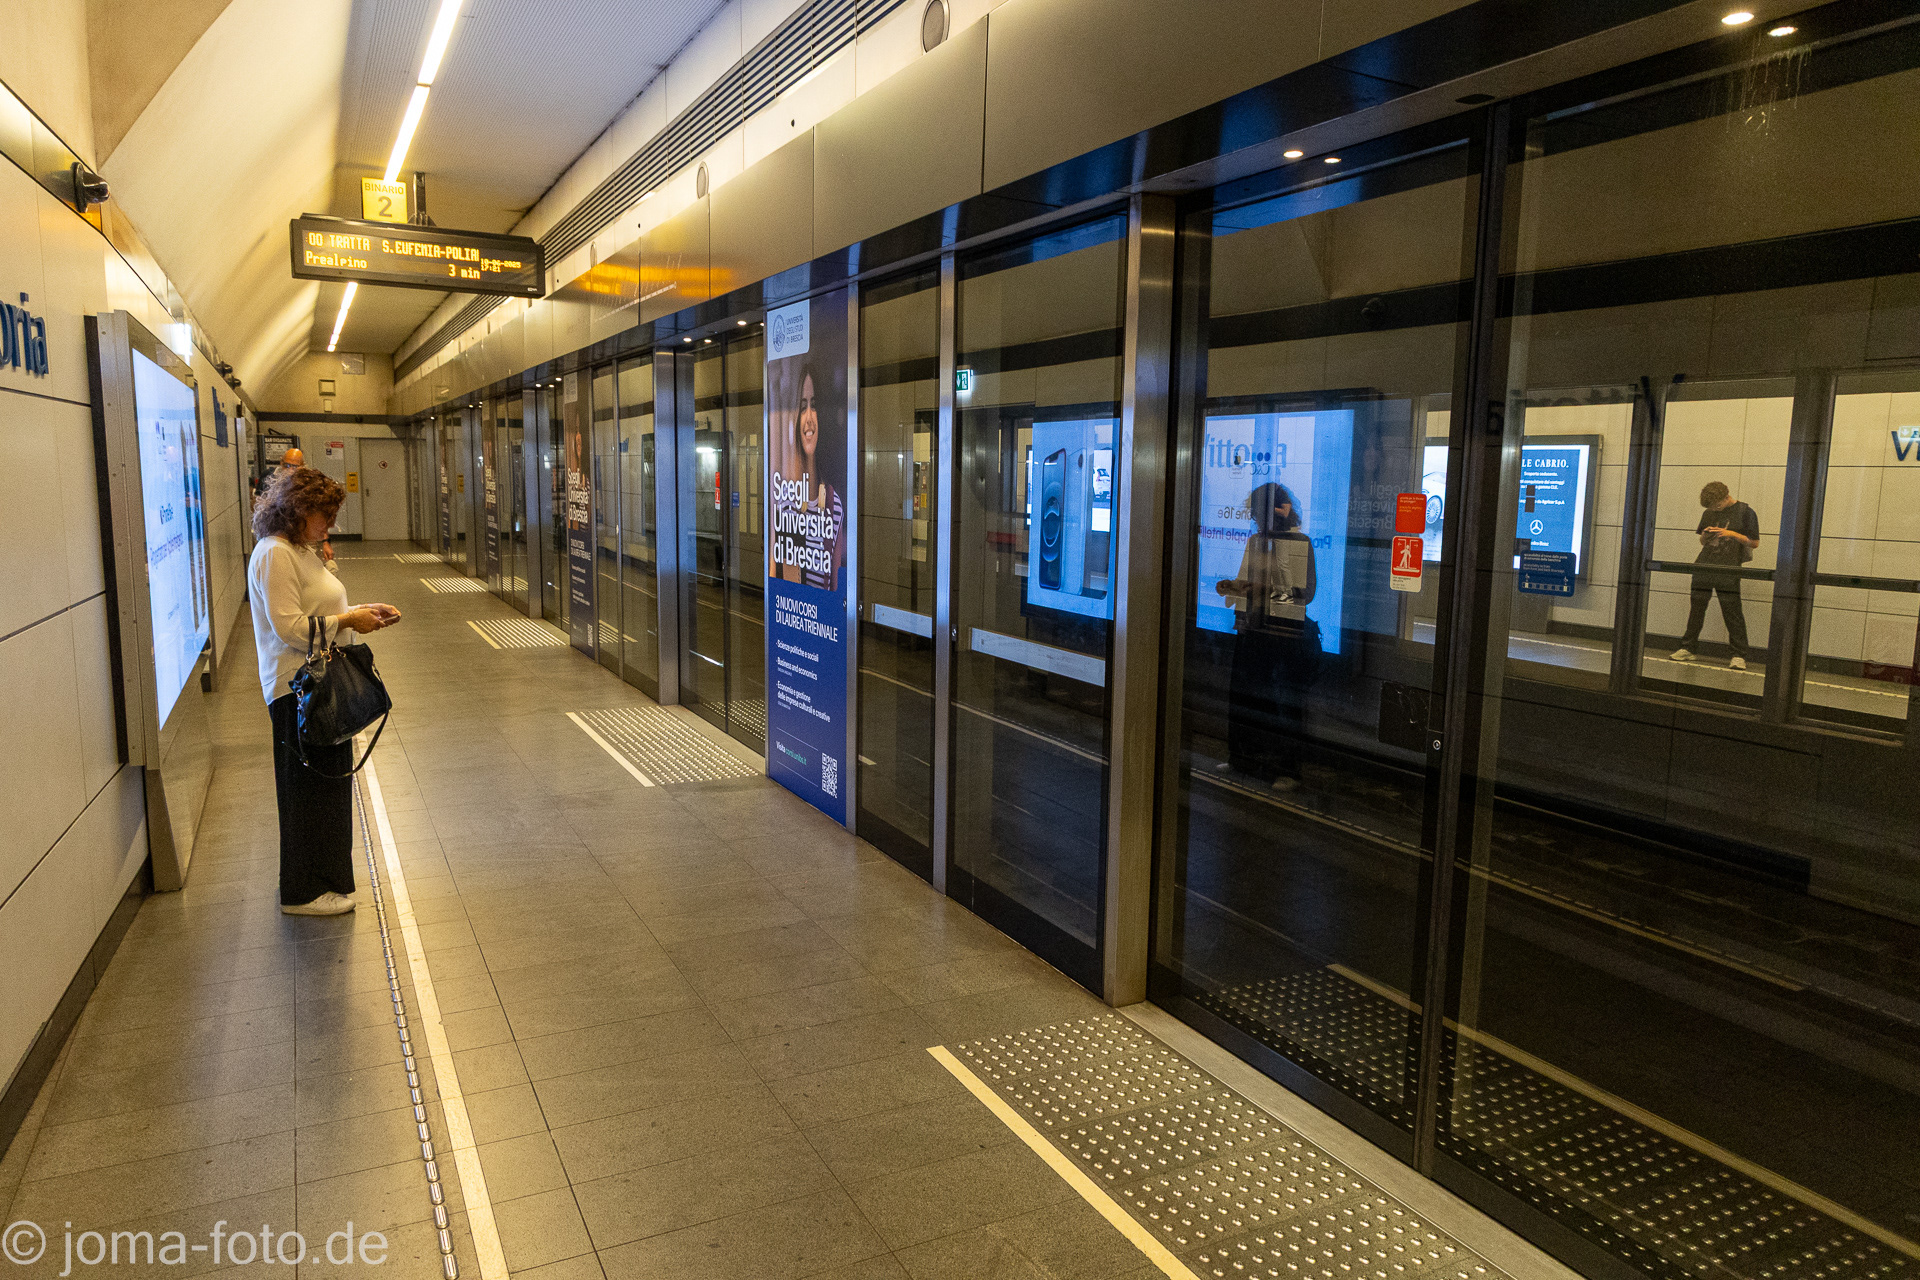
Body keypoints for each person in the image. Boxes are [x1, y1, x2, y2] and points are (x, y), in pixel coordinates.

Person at [248, 467, 401, 915]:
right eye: (324, 516)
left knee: (326, 787)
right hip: (296, 690)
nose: (330, 526)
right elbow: (291, 628)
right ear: (297, 510)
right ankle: (302, 891)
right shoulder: (275, 554)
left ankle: (324, 881)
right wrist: (349, 621)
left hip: (317, 682)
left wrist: (362, 610)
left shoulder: (299, 550)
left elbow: (320, 607)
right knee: (306, 791)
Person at [1215, 483, 1319, 790]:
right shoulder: (1256, 541)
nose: (1257, 521)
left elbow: (1306, 594)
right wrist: (1233, 587)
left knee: (1283, 701)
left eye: (1260, 515)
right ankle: (1244, 757)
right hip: (1254, 630)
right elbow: (1246, 580)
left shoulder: (1300, 543)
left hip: (1285, 633)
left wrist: (1265, 591)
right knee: (1247, 697)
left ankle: (1287, 767)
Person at [1671, 480, 1760, 671]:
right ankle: (1688, 648)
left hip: (1729, 568)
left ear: (1726, 497)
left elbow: (1754, 543)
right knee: (1696, 609)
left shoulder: (1745, 512)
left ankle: (1738, 654)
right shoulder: (1709, 513)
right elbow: (1702, 542)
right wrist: (1706, 535)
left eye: (1717, 506)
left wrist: (1730, 533)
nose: (1714, 509)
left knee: (1732, 611)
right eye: (1711, 507)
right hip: (1704, 565)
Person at [774, 363, 844, 589]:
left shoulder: (834, 505)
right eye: (802, 407)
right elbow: (778, 582)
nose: (809, 418)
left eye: (814, 406)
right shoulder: (784, 503)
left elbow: (834, 589)